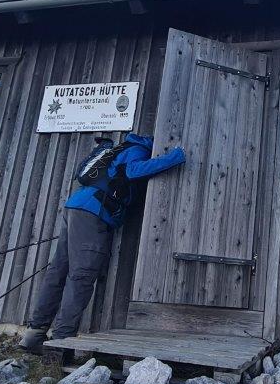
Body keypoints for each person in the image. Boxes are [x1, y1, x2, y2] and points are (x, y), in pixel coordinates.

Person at [18, 132, 184, 354]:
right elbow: (134, 170)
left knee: (58, 271)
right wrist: (174, 158)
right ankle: (60, 345)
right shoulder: (138, 150)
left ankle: (33, 336)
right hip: (93, 212)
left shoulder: (116, 150)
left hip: (76, 207)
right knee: (81, 277)